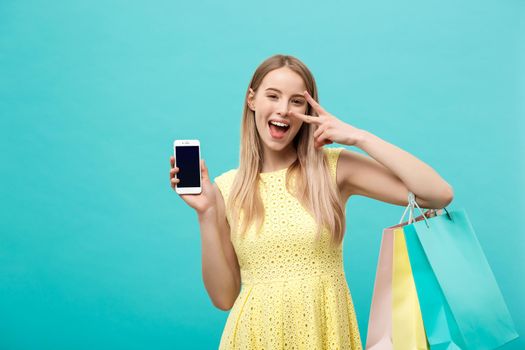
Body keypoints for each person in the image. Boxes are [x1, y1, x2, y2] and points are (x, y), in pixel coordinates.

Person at [169, 54, 453, 349]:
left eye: (296, 101)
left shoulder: (332, 169)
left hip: (325, 333)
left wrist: (358, 137)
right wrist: (206, 212)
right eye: (273, 96)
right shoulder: (227, 188)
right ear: (251, 100)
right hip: (255, 337)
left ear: (308, 109)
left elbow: (437, 193)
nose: (283, 110)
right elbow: (223, 298)